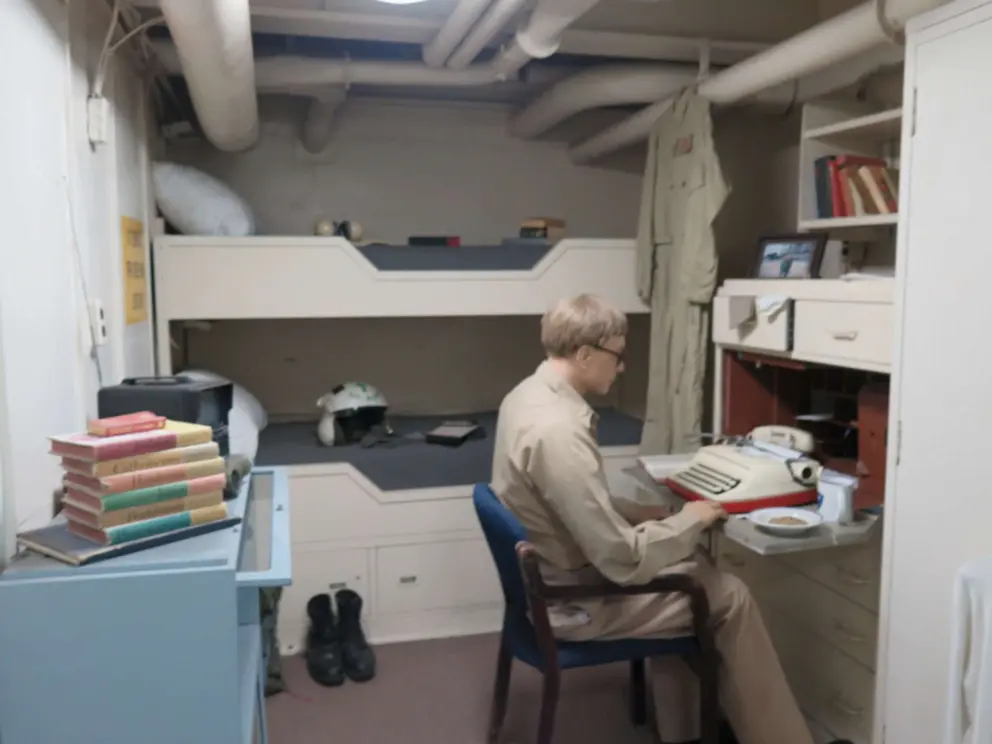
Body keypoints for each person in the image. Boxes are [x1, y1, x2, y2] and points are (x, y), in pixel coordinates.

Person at [491, 293, 846, 744]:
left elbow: (565, 501)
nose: (620, 367)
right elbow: (620, 558)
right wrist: (692, 518)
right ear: (584, 354)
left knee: (690, 564)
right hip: (572, 601)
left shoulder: (526, 395)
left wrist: (644, 514)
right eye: (617, 355)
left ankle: (686, 729)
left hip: (550, 578)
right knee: (728, 594)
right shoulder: (557, 431)